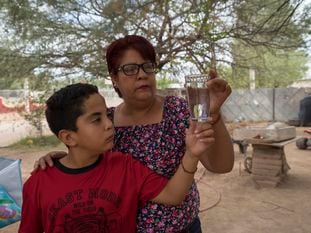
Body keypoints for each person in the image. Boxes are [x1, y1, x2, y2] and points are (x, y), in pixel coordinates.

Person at [35, 35, 234, 232]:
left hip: (184, 228)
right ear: (114, 78)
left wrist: (214, 115)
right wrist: (59, 161)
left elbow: (222, 166)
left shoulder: (179, 110)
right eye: (130, 69)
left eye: (148, 66)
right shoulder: (106, 123)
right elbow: (84, 164)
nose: (142, 74)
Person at [19, 83, 214, 233]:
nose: (109, 124)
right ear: (68, 137)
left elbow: (173, 195)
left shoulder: (124, 167)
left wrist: (192, 154)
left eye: (106, 115)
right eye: (96, 119)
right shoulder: (38, 184)